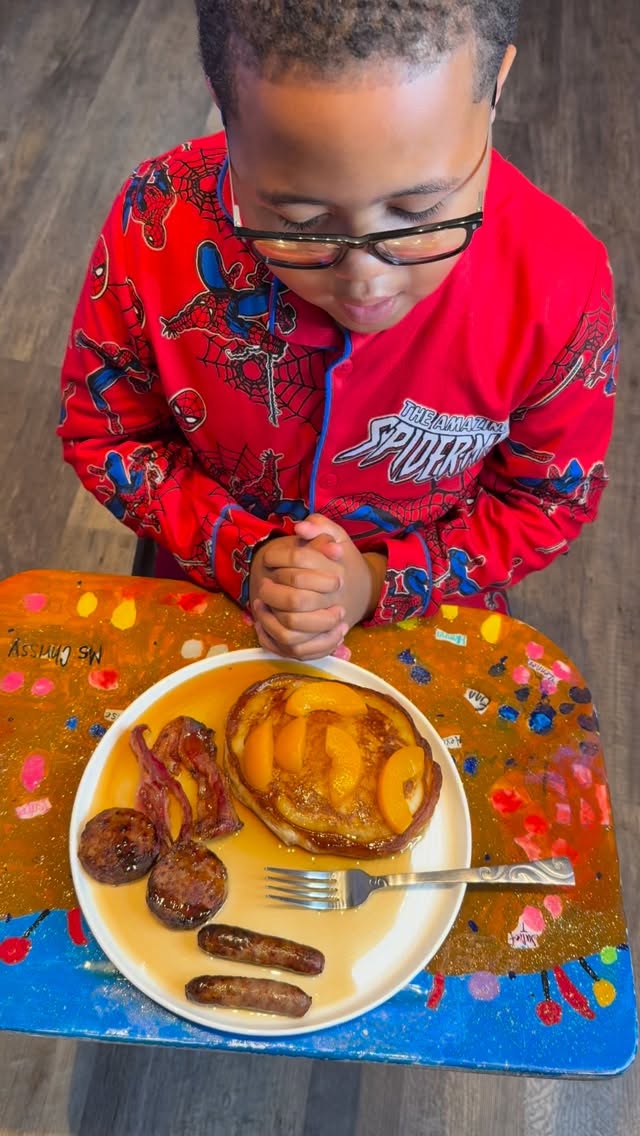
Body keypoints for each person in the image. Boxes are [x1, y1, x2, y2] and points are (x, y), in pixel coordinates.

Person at [58, 1, 618, 661]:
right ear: (222, 103)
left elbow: (548, 500)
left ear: (495, 90)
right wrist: (241, 551)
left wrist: (380, 580)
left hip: (428, 620)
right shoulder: (153, 221)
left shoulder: (560, 285)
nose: (365, 281)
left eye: (419, 213)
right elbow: (105, 433)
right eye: (298, 222)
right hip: (207, 593)